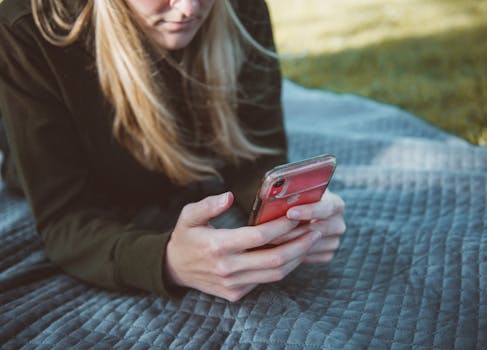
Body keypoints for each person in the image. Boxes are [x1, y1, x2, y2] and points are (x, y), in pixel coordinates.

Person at [0, 0, 346, 302]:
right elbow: (66, 218)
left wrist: (290, 211)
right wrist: (167, 262)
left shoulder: (240, 7)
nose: (188, 9)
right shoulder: (28, 30)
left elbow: (257, 151)